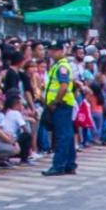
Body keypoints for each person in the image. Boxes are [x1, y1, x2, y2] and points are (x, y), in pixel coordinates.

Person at [40, 44, 78, 176]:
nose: (52, 53)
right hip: (62, 104)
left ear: (62, 51)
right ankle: (69, 164)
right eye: (51, 50)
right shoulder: (58, 65)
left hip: (61, 105)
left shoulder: (61, 66)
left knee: (62, 136)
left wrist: (55, 102)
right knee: (67, 135)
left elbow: (63, 86)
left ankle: (58, 165)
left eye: (55, 50)